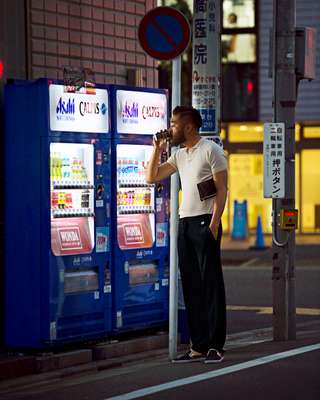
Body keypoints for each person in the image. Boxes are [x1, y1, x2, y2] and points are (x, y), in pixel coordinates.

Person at [146, 106, 228, 363]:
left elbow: (222, 189)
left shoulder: (211, 150)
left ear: (189, 126)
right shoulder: (180, 154)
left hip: (206, 222)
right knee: (191, 285)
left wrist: (214, 224)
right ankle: (198, 345)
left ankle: (216, 345)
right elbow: (152, 177)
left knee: (211, 284)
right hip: (185, 223)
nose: (171, 128)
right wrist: (157, 149)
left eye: (174, 124)